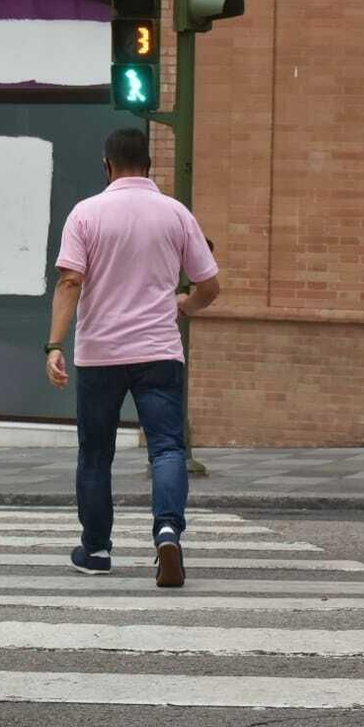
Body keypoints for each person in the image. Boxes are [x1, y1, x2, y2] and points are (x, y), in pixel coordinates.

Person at [45, 127, 219, 588]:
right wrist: (184, 304)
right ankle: (167, 531)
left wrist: (54, 345)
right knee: (166, 447)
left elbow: (69, 282)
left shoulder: (85, 214)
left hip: (100, 353)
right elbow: (209, 286)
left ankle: (97, 549)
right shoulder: (176, 214)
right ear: (149, 166)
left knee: (96, 454)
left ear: (106, 165)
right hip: (159, 352)